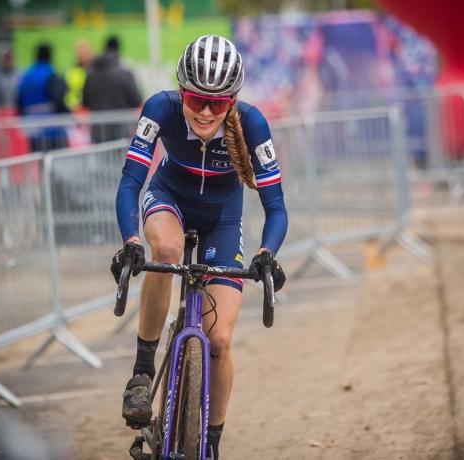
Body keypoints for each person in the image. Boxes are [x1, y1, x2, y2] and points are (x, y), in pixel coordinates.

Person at [110, 35, 288, 459]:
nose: (206, 111)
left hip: (223, 218)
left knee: (220, 340)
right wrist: (131, 240)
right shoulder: (160, 108)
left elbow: (276, 206)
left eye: (219, 103)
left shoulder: (253, 124)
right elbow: (132, 181)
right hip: (169, 196)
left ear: (234, 100)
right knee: (167, 252)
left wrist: (266, 253)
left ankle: (209, 444)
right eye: (196, 98)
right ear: (180, 90)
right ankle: (142, 371)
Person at [83, 36, 141, 142]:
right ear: (118, 49)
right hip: (121, 130)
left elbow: (85, 102)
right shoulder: (125, 74)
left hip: (97, 130)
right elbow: (136, 100)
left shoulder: (90, 74)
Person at [17, 43, 69, 152]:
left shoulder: (26, 76)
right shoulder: (50, 74)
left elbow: (19, 102)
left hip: (32, 130)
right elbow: (58, 100)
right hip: (51, 130)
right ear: (50, 56)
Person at [64, 40, 93, 111]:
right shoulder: (71, 73)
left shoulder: (95, 72)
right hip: (74, 110)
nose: (83, 55)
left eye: (85, 52)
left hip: (91, 110)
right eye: (81, 52)